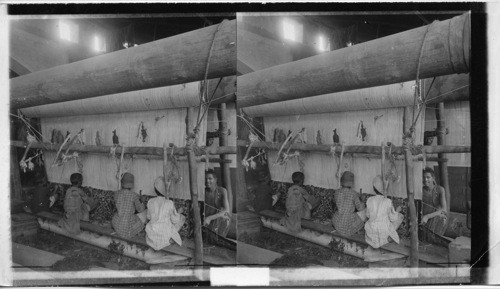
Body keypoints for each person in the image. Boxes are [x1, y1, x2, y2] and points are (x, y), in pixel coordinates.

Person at [145, 176, 186, 250]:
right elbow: (175, 220)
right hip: (164, 236)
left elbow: (148, 217)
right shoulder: (169, 203)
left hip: (151, 235)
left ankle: (161, 238)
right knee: (182, 217)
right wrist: (178, 212)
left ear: (155, 189)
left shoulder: (150, 201)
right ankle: (169, 239)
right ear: (166, 189)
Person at [364, 175, 404, 248]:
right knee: (400, 216)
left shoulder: (369, 200)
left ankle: (380, 238)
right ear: (385, 188)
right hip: (382, 232)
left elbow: (367, 215)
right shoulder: (388, 201)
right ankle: (387, 238)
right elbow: (393, 219)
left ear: (373, 187)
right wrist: (397, 211)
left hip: (370, 232)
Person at [112, 172, 147, 239]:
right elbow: (140, 209)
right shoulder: (134, 195)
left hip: (117, 223)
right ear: (132, 184)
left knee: (118, 214)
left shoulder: (116, 193)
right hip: (126, 228)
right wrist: (142, 201)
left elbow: (117, 204)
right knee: (145, 213)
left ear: (122, 183)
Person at [331, 171, 365, 237]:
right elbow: (360, 208)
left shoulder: (336, 192)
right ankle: (358, 230)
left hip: (338, 221)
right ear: (351, 182)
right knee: (364, 212)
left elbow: (335, 202)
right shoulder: (354, 193)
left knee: (337, 214)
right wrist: (362, 201)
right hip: (348, 223)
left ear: (342, 181)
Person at [421, 167, 448, 244]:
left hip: (435, 217)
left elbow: (444, 210)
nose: (425, 180)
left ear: (433, 178)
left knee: (431, 240)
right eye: (424, 177)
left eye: (428, 177)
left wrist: (427, 216)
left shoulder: (440, 190)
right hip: (424, 218)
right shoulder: (421, 190)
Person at [204, 169, 231, 239]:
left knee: (225, 217)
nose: (207, 181)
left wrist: (210, 218)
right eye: (206, 179)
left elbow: (226, 211)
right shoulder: (203, 192)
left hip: (217, 219)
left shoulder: (222, 191)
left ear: (215, 180)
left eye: (210, 179)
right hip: (206, 220)